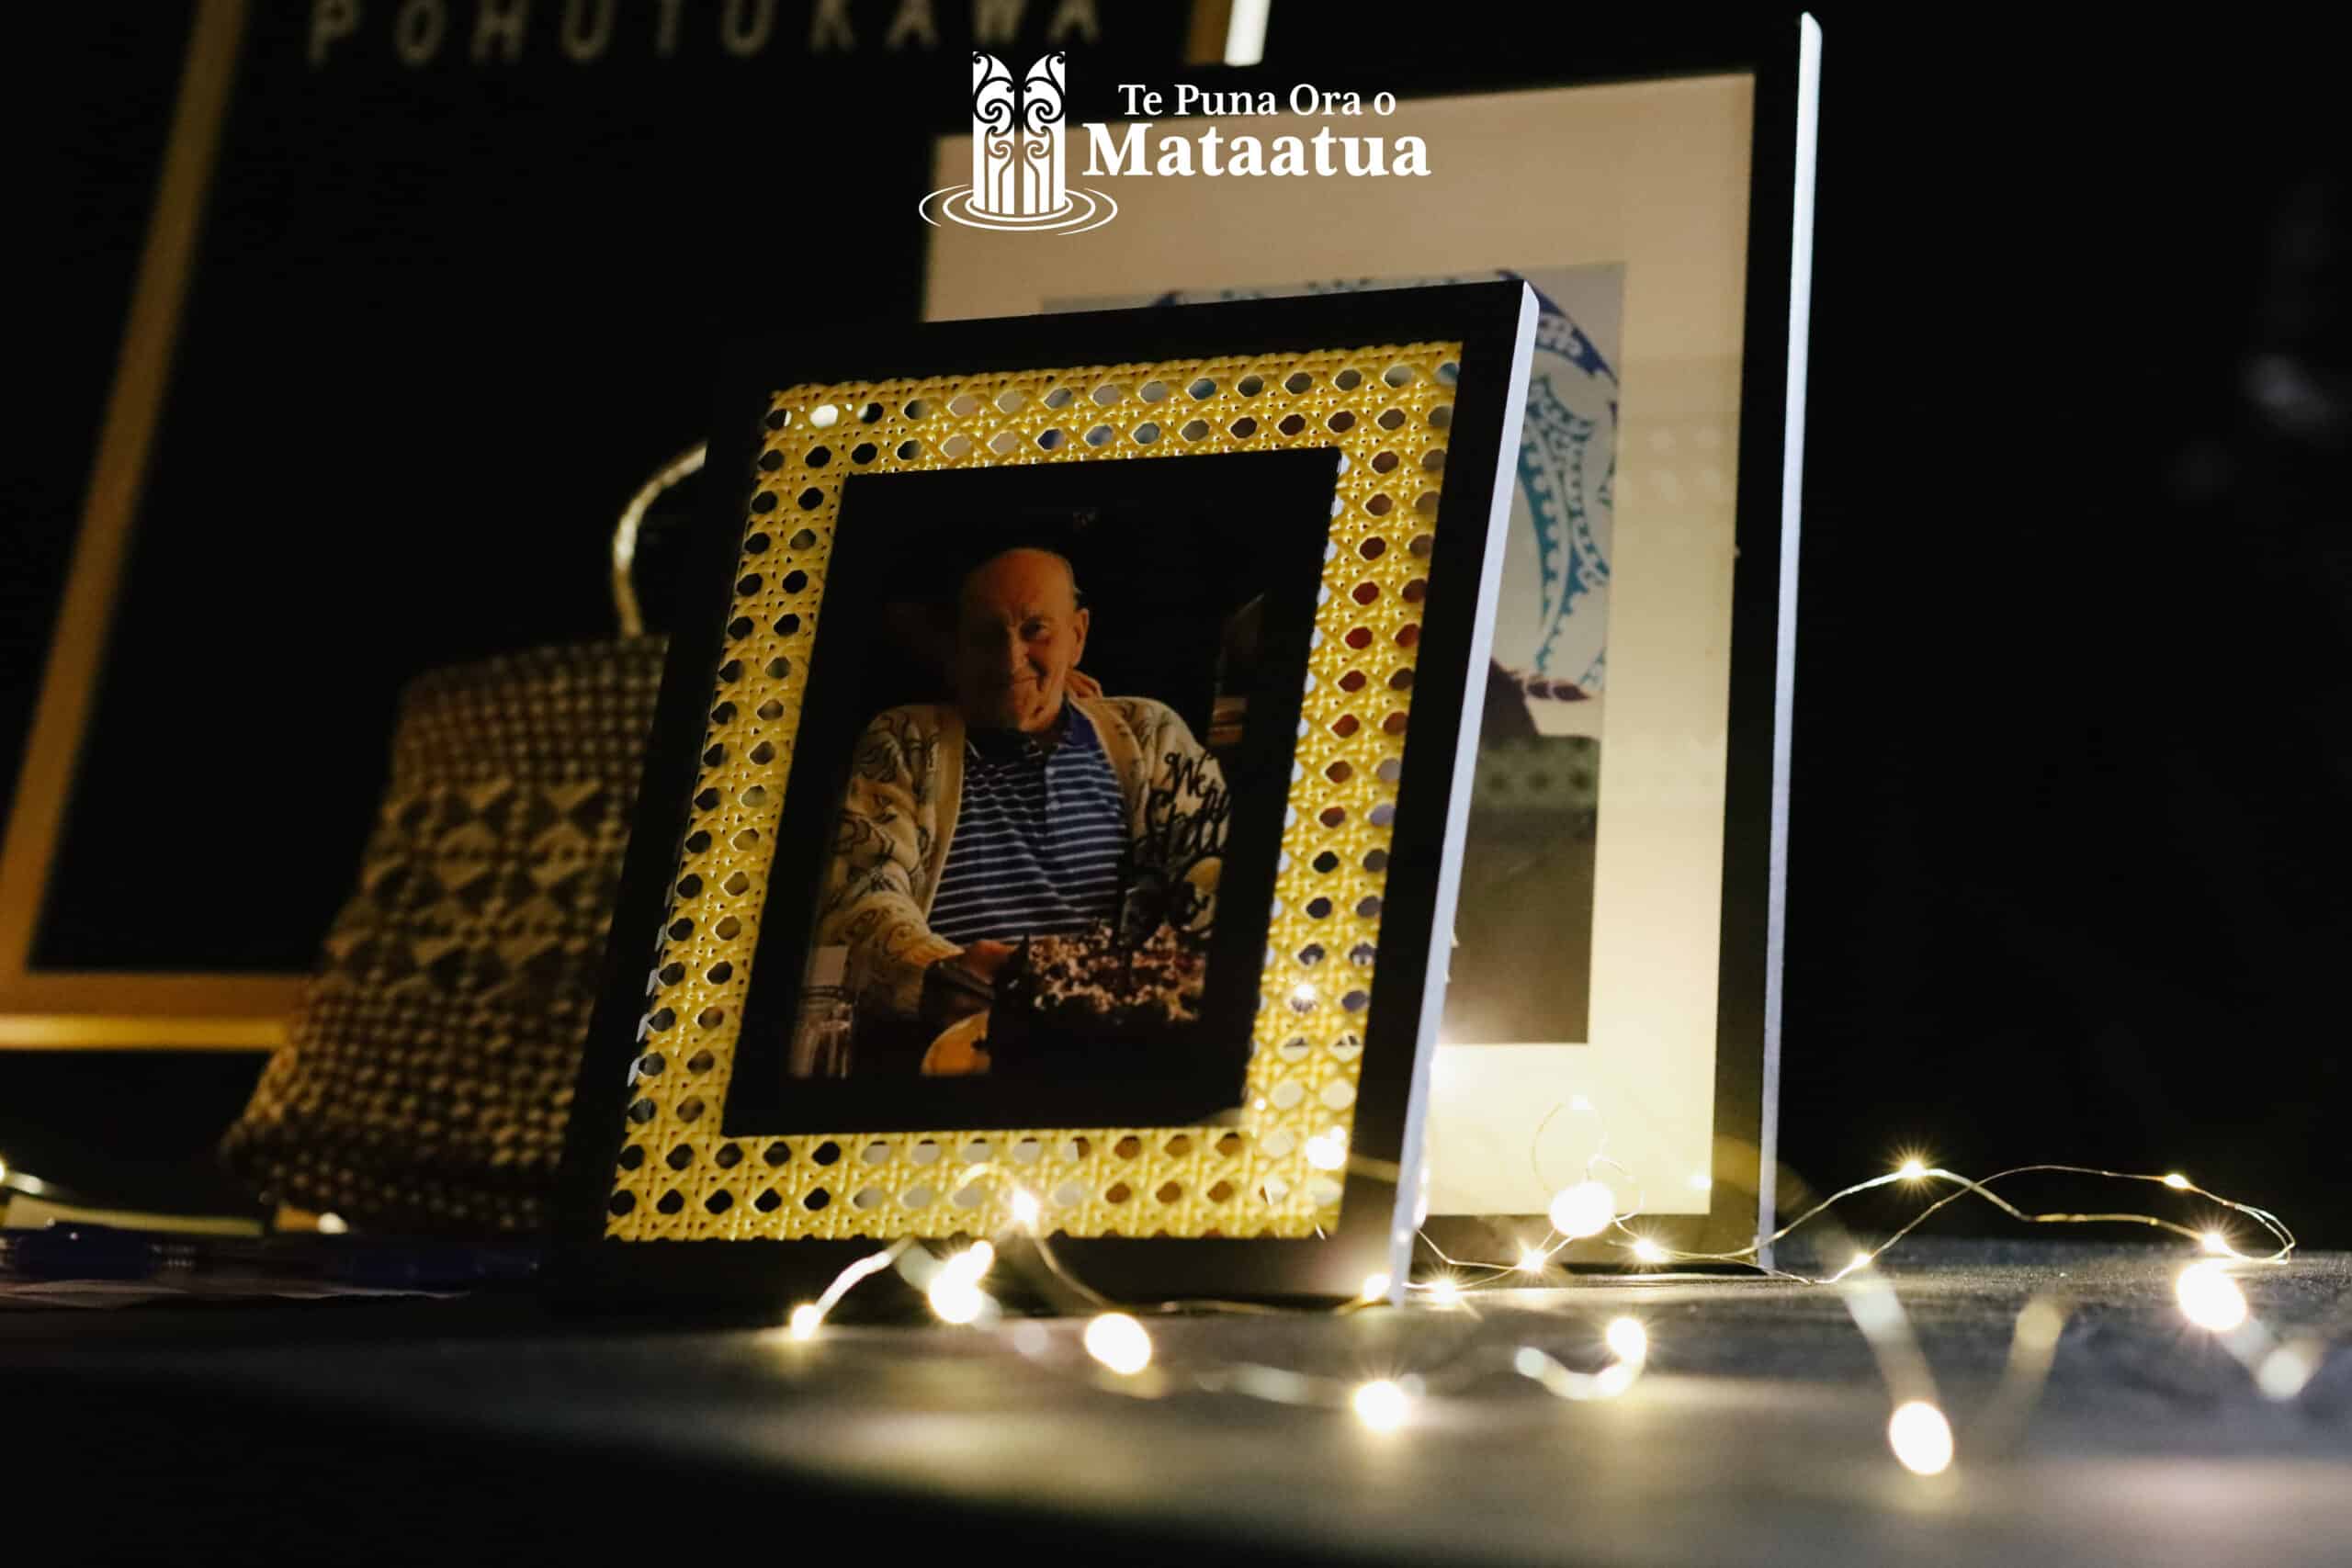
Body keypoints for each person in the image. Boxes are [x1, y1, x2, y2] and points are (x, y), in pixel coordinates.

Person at [818, 546, 1227, 1027]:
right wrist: (941, 974)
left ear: (1077, 637)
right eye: (987, 636)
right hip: (956, 1037)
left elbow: (1215, 867)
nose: (1011, 659)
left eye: (1036, 631)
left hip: (1119, 1030)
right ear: (957, 649)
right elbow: (858, 898)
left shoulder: (1149, 734)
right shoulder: (905, 741)